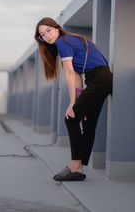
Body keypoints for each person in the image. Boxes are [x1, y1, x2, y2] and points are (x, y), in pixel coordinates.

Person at [34, 17, 112, 181]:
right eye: (42, 35)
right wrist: (79, 100)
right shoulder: (72, 40)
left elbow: (69, 73)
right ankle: (78, 168)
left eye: (48, 30)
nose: (46, 36)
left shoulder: (63, 42)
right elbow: (77, 77)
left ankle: (76, 167)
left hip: (99, 79)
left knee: (70, 118)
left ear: (57, 28)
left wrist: (73, 103)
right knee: (88, 124)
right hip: (98, 79)